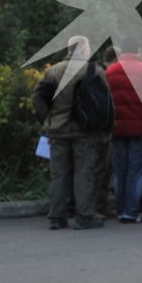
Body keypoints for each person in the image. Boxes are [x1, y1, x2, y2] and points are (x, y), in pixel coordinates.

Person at [33, 36, 112, 230]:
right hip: (85, 131)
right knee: (84, 173)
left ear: (68, 49)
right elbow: (107, 103)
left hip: (57, 130)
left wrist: (48, 120)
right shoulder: (94, 71)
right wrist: (106, 128)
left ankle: (57, 217)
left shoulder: (52, 71)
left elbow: (37, 98)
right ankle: (84, 216)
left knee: (58, 174)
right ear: (84, 50)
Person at [105, 49, 142, 224]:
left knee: (120, 171)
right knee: (136, 171)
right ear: (138, 52)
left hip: (117, 127)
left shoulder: (110, 71)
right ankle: (131, 212)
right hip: (141, 126)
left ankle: (120, 210)